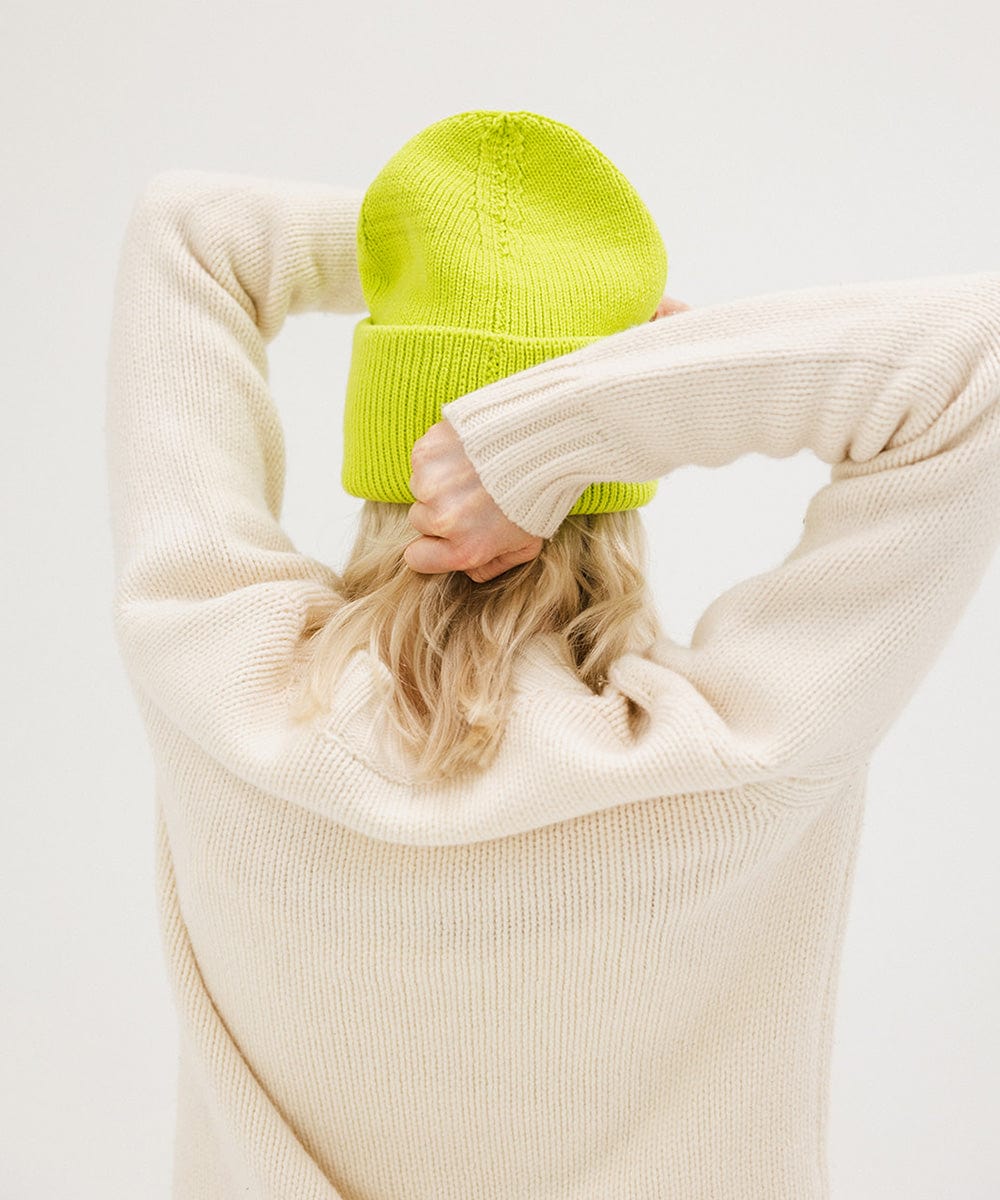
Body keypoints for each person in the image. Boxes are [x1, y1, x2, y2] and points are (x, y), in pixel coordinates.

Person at [106, 109, 1000, 1200]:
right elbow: (975, 361)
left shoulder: (219, 681)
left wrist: (431, 252)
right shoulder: (740, 748)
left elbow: (188, 230)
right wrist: (603, 389)